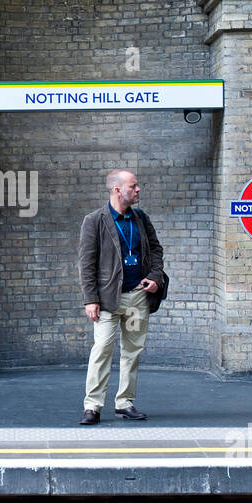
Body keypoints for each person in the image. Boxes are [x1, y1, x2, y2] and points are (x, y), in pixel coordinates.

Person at [78, 169, 164, 425]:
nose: (138, 190)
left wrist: (155, 276)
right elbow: (86, 263)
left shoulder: (141, 218)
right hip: (107, 300)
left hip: (137, 298)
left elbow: (156, 249)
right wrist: (90, 298)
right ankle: (92, 406)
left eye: (137, 186)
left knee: (132, 351)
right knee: (102, 349)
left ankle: (124, 403)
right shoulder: (94, 220)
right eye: (133, 186)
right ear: (117, 190)